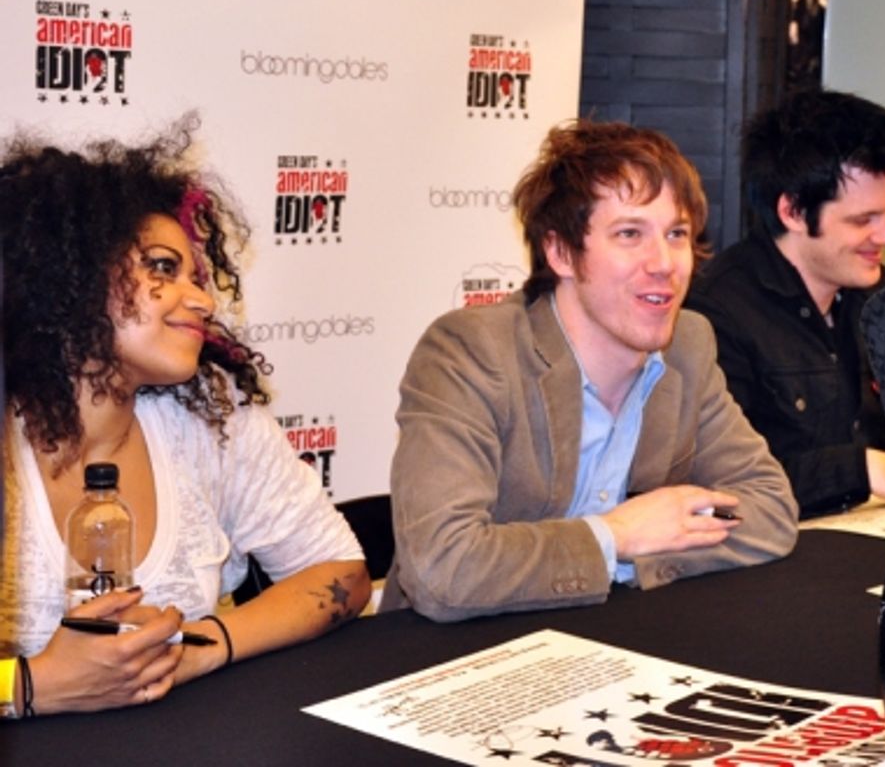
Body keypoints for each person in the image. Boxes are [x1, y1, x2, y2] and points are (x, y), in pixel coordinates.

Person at [0, 119, 369, 717]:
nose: (202, 300)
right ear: (67, 275)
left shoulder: (212, 421)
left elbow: (342, 574)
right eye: (164, 270)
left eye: (197, 277)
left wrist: (203, 645)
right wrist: (31, 684)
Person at [383, 120, 798, 621]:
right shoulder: (471, 352)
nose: (664, 262)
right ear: (559, 252)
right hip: (453, 660)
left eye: (676, 234)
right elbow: (443, 570)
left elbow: (769, 508)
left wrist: (669, 531)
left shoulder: (689, 345)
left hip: (604, 646)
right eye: (629, 234)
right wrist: (618, 535)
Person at [685, 90, 885, 517]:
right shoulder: (714, 313)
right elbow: (715, 482)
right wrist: (863, 470)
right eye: (863, 220)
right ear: (794, 212)